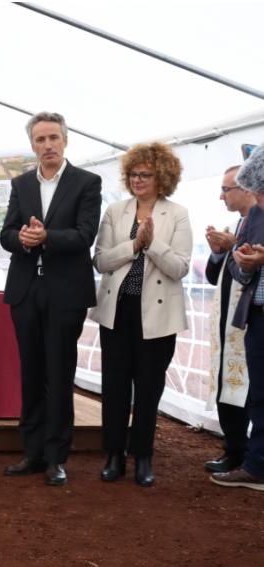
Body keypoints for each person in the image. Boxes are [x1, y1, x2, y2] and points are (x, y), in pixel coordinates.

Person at [0, 111, 102, 486]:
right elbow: (6, 233)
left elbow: (85, 234)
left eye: (53, 138)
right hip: (26, 290)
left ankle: (57, 457)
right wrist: (22, 239)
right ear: (32, 145)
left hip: (65, 292)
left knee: (59, 375)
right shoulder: (21, 183)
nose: (47, 145)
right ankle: (32, 452)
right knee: (30, 373)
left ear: (65, 140)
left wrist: (47, 237)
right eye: (40, 139)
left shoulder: (86, 182)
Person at [90, 143, 191, 486]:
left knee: (148, 388)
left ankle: (143, 456)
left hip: (158, 317)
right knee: (115, 385)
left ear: (162, 177)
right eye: (133, 174)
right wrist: (133, 245)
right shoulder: (115, 211)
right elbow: (101, 260)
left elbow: (179, 268)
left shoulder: (177, 214)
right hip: (117, 311)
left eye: (145, 174)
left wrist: (152, 244)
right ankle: (114, 455)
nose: (138, 180)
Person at [216, 144, 264, 492]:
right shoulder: (256, 216)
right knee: (259, 395)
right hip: (258, 316)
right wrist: (245, 260)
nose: (258, 198)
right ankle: (256, 465)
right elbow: (239, 270)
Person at [202, 165, 254, 472]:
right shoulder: (235, 226)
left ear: (246, 189)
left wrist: (233, 245)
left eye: (226, 189)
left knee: (247, 389)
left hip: (249, 322)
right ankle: (233, 448)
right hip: (227, 323)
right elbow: (214, 277)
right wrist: (218, 252)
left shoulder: (255, 228)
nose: (221, 196)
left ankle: (246, 453)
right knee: (227, 384)